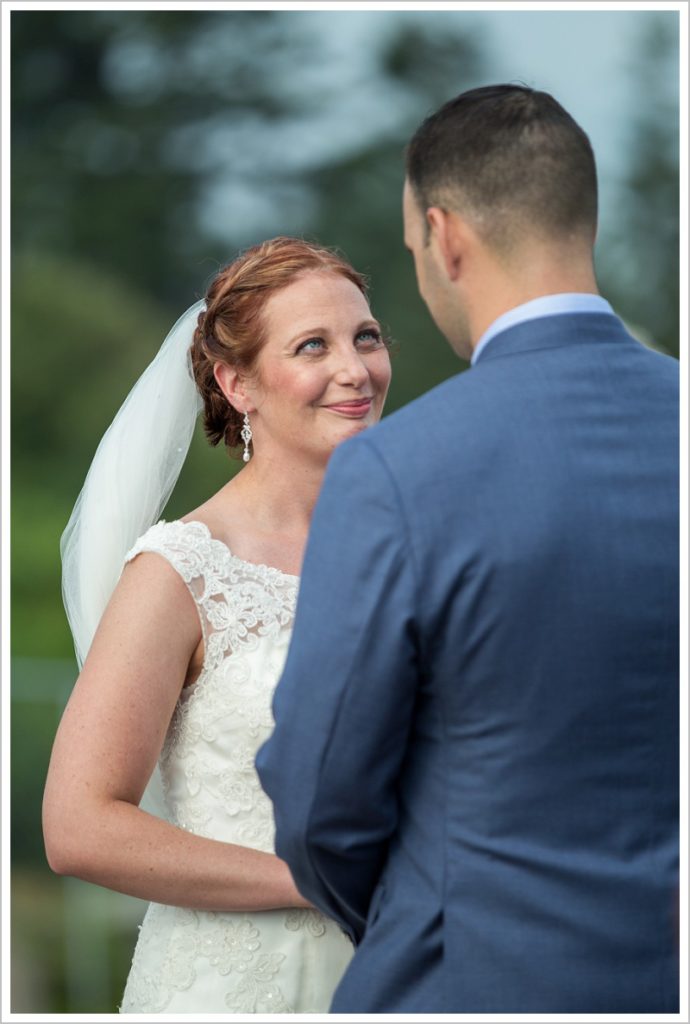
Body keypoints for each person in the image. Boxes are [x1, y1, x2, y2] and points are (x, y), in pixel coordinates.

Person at [256, 85, 680, 1013]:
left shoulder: (399, 468)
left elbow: (322, 792)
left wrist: (418, 912)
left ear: (443, 238)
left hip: (473, 979)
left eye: (412, 252)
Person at [42, 236, 392, 1014]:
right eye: (313, 346)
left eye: (366, 336)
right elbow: (78, 826)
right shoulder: (181, 571)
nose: (355, 369)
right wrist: (313, 883)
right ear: (238, 383)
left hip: (403, 976)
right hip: (233, 987)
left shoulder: (418, 550)